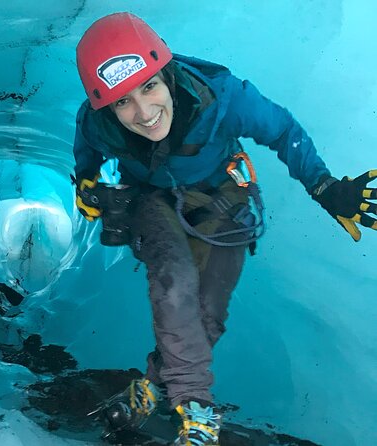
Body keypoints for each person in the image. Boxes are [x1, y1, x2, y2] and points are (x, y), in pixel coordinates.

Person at [71, 12, 377, 446]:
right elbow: (87, 149)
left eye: (149, 87)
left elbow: (281, 129)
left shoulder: (224, 97)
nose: (143, 111)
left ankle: (152, 387)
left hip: (223, 199)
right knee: (173, 282)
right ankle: (196, 407)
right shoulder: (97, 121)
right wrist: (85, 181)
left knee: (207, 310)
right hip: (152, 200)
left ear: (167, 73)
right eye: (122, 102)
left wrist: (323, 186)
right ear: (107, 105)